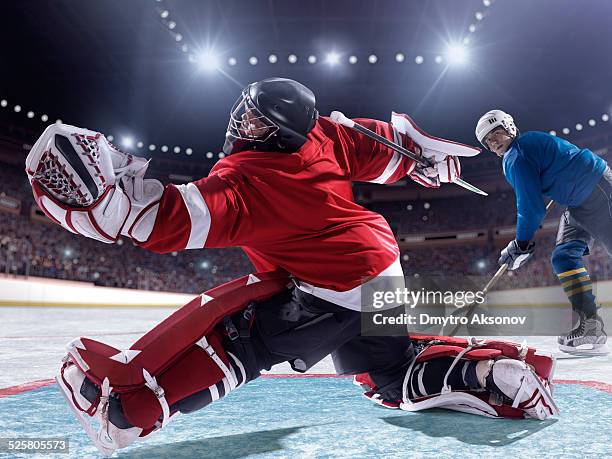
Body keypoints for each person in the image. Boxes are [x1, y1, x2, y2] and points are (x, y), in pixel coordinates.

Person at [27, 79, 557, 455]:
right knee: (389, 377)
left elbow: (160, 221)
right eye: (248, 109)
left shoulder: (247, 182)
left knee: (244, 335)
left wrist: (99, 197)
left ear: (277, 134)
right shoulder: (322, 132)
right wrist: (419, 158)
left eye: (257, 119)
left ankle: (130, 412)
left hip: (333, 287)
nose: (245, 120)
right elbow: (384, 148)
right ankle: (486, 373)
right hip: (381, 269)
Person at [475, 109, 610, 356]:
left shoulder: (517, 155)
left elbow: (531, 208)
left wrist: (521, 243)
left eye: (496, 133)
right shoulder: (527, 145)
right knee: (563, 257)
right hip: (580, 201)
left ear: (510, 127)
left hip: (598, 191)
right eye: (488, 141)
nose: (494, 141)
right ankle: (591, 324)